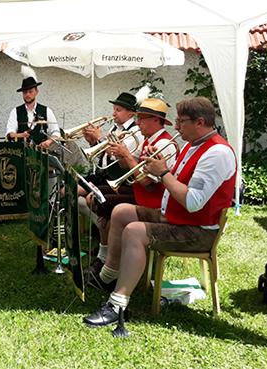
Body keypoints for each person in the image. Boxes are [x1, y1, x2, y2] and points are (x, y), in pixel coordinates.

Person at [83, 97, 236, 328]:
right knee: (122, 211)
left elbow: (193, 202)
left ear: (200, 122)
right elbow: (175, 181)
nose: (175, 126)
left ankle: (117, 303)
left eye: (181, 121)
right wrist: (157, 166)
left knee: (134, 231)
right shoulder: (193, 144)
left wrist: (163, 172)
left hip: (198, 230)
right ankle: (107, 276)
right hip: (178, 217)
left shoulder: (217, 153)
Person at [80, 91, 144, 276]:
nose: (114, 113)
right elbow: (102, 163)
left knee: (98, 201)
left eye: (118, 110)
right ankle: (102, 241)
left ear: (131, 113)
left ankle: (104, 250)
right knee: (73, 193)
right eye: (114, 109)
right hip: (108, 178)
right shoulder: (115, 131)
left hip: (123, 182)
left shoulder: (134, 134)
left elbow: (119, 163)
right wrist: (94, 143)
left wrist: (100, 141)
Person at [6, 65, 60, 149]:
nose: (27, 94)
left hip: (42, 154)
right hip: (21, 154)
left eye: (30, 91)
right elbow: (10, 133)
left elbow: (56, 133)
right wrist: (21, 135)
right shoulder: (15, 111)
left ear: (36, 92)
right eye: (25, 92)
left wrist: (48, 141)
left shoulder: (47, 111)